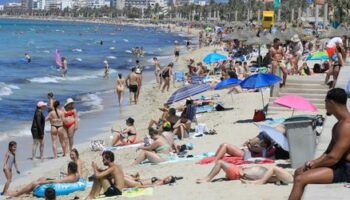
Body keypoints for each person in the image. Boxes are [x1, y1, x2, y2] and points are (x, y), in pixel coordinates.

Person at [289, 88, 350, 200]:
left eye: (325, 102)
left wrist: (314, 166)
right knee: (299, 172)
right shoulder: (338, 125)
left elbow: (333, 158)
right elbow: (328, 152)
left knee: (300, 179)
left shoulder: (346, 126)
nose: (325, 105)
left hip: (346, 169)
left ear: (331, 102)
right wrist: (313, 162)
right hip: (340, 165)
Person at [7, 162, 79, 197]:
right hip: (64, 182)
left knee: (35, 183)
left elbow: (54, 181)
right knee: (42, 178)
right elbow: (71, 177)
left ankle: (16, 194)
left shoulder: (68, 178)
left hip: (57, 185)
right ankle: (25, 191)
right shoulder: (76, 175)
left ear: (69, 169)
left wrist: (41, 183)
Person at [196, 161, 293, 184]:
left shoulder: (273, 176)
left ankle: (207, 179)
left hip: (238, 173)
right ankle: (207, 178)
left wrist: (259, 181)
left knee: (220, 163)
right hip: (239, 170)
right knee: (221, 163)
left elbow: (274, 171)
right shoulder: (272, 175)